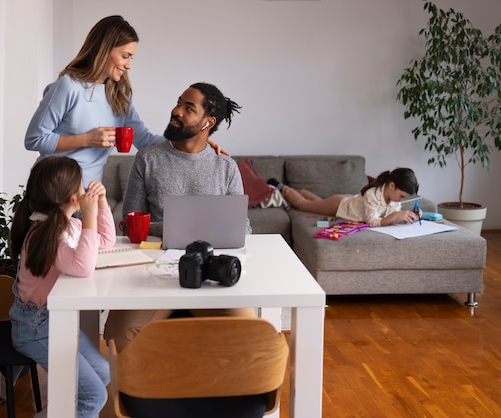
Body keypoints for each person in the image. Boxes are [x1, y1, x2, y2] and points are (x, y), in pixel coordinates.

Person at [104, 82, 256, 351]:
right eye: (178, 103)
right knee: (118, 333)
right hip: (156, 271)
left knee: (249, 331)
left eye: (189, 108)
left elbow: (242, 228)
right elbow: (130, 222)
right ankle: (133, 392)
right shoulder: (148, 159)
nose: (176, 111)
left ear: (207, 122)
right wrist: (170, 230)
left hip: (211, 271)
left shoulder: (226, 167)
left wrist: (186, 233)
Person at [24, 15, 225, 186]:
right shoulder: (68, 86)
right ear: (104, 50)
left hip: (89, 197)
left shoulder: (119, 96)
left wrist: (194, 140)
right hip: (51, 191)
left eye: (132, 58)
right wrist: (87, 139)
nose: (129, 65)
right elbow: (34, 139)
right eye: (125, 56)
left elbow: (145, 140)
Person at [8, 156, 116, 418]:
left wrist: (101, 205)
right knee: (94, 395)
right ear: (72, 199)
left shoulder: (66, 225)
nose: (85, 191)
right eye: (81, 187)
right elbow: (82, 267)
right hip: (35, 329)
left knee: (102, 372)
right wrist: (89, 215)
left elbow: (104, 241)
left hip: (56, 321)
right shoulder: (48, 233)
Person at [268, 168, 420, 227]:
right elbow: (372, 222)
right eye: (401, 196)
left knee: (318, 202)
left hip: (349, 201)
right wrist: (395, 215)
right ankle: (281, 186)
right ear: (392, 185)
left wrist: (409, 216)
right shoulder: (372, 194)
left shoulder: (393, 200)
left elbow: (392, 216)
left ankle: (297, 190)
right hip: (340, 205)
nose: (401, 201)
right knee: (304, 205)